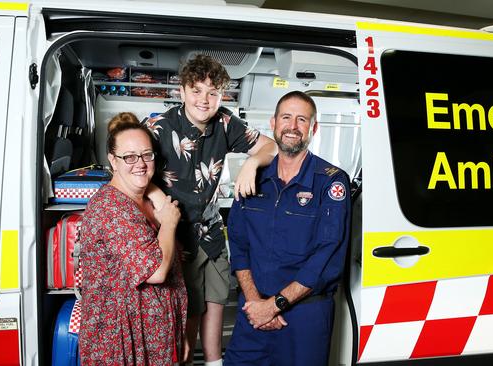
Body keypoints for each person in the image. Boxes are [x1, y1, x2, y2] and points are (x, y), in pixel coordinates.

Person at [142, 54, 277, 366]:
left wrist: (252, 163)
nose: (204, 99)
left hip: (212, 233)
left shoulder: (227, 123)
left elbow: (270, 147)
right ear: (183, 91)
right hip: (175, 236)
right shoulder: (157, 126)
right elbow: (131, 170)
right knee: (188, 307)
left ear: (221, 96)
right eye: (197, 90)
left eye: (213, 92)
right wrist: (158, 198)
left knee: (216, 301)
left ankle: (215, 362)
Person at [224, 91, 351, 365]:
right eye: (286, 117)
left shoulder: (331, 182)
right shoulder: (253, 177)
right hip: (253, 312)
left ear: (313, 128)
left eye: (302, 119)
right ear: (273, 123)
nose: (292, 126)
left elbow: (326, 256)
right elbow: (238, 243)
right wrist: (257, 304)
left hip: (304, 318)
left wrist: (273, 306)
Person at [78, 115, 187, 365]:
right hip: (122, 343)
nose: (140, 163)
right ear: (113, 161)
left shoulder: (146, 199)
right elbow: (157, 272)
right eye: (129, 156)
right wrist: (169, 222)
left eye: (146, 155)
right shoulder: (110, 207)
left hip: (158, 337)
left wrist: (177, 334)